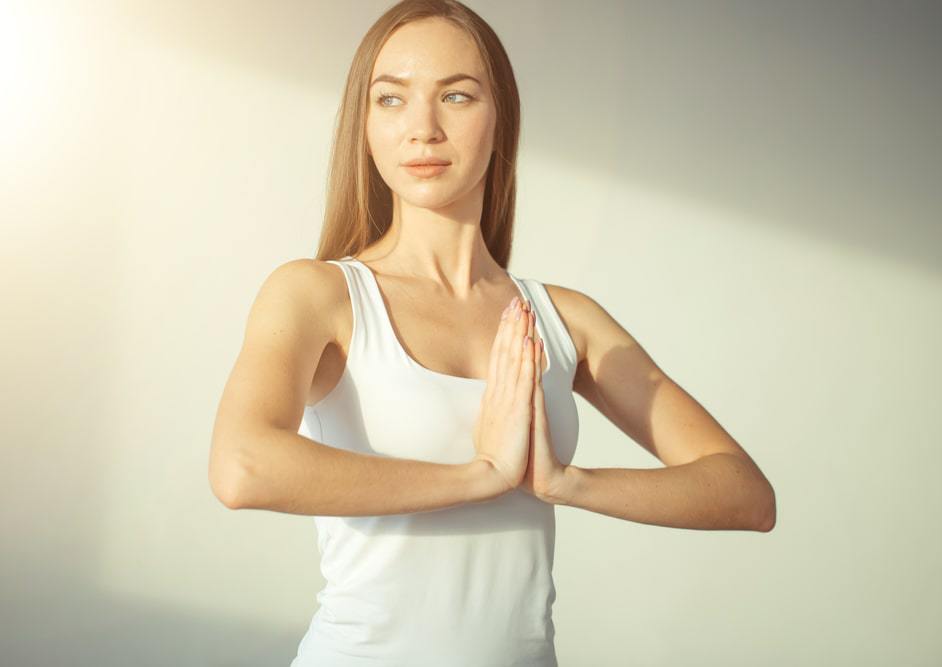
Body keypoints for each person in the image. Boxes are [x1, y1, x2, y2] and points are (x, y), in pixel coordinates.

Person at [208, 1, 776, 665]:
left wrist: (564, 482)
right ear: (364, 127)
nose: (423, 128)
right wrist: (480, 476)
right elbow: (241, 466)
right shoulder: (320, 295)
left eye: (456, 95)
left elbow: (746, 492)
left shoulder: (564, 320)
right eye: (391, 100)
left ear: (499, 117)